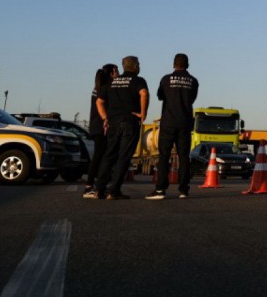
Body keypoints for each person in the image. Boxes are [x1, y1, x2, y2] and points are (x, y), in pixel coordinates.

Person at [90, 55, 149, 200]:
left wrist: (105, 118)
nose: (139, 66)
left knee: (109, 155)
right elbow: (144, 93)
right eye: (138, 64)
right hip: (129, 122)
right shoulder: (138, 81)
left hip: (113, 124)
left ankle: (99, 189)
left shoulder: (112, 82)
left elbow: (99, 102)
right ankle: (114, 190)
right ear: (134, 66)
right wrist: (143, 113)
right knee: (123, 157)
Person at [147, 53, 199, 200]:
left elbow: (160, 96)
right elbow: (192, 98)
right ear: (187, 64)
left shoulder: (166, 79)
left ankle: (160, 190)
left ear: (173, 64)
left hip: (168, 122)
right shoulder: (193, 81)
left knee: (164, 157)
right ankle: (183, 190)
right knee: (184, 157)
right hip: (184, 123)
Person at [83, 63, 118, 198]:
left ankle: (94, 186)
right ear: (112, 73)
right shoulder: (107, 88)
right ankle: (90, 187)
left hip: (96, 125)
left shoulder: (97, 87)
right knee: (100, 157)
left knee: (100, 157)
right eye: (117, 71)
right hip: (103, 125)